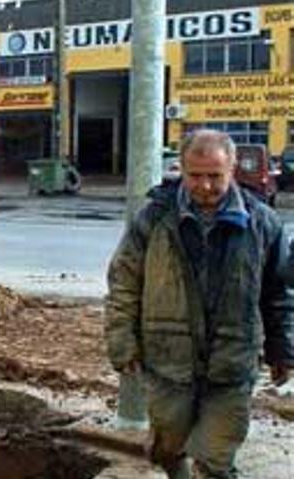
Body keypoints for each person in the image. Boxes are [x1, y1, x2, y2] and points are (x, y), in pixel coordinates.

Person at [105, 129, 294, 478]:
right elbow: (124, 283)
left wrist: (281, 349)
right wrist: (122, 341)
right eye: (195, 176)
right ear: (182, 169)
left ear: (232, 169)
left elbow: (278, 295)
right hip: (167, 364)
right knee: (170, 448)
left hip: (232, 365)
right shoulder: (153, 219)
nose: (204, 186)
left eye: (214, 176)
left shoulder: (262, 223)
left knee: (215, 460)